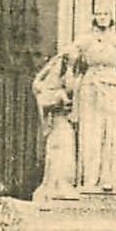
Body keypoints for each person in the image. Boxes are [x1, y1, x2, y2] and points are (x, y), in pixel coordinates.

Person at [68, 11, 116, 193]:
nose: (102, 17)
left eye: (106, 14)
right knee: (90, 131)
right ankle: (89, 178)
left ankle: (110, 178)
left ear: (112, 18)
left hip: (112, 86)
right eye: (98, 14)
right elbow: (69, 55)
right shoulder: (85, 40)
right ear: (93, 17)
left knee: (111, 131)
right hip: (90, 87)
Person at [32, 52, 77, 195]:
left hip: (58, 126)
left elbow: (37, 82)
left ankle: (58, 184)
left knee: (58, 155)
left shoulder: (47, 93)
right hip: (61, 126)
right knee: (61, 155)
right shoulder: (56, 94)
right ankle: (60, 185)